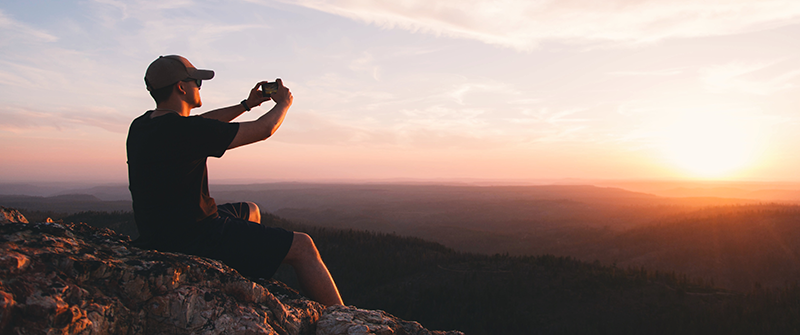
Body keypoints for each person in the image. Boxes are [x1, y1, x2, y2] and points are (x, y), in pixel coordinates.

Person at [126, 55, 343, 306]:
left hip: (159, 232)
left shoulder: (142, 126)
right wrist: (283, 104)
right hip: (194, 237)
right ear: (181, 87)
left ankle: (241, 274)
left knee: (250, 210)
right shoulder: (184, 131)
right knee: (303, 246)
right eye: (196, 81)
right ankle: (342, 320)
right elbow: (263, 129)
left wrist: (246, 104)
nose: (199, 85)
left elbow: (202, 123)